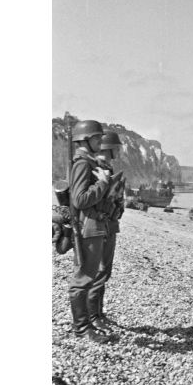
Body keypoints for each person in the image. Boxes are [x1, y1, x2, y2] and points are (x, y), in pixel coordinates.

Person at [68, 119, 113, 343]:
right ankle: (82, 329)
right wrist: (102, 184)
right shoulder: (82, 164)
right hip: (88, 227)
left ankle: (85, 326)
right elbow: (79, 199)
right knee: (83, 277)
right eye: (96, 138)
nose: (100, 141)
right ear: (85, 139)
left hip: (94, 226)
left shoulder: (88, 162)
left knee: (89, 276)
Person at [91, 131, 124, 332]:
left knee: (104, 271)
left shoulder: (107, 168)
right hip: (100, 225)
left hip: (109, 225)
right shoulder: (97, 169)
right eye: (117, 147)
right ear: (109, 148)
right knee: (99, 271)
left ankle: (98, 312)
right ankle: (93, 315)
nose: (119, 150)